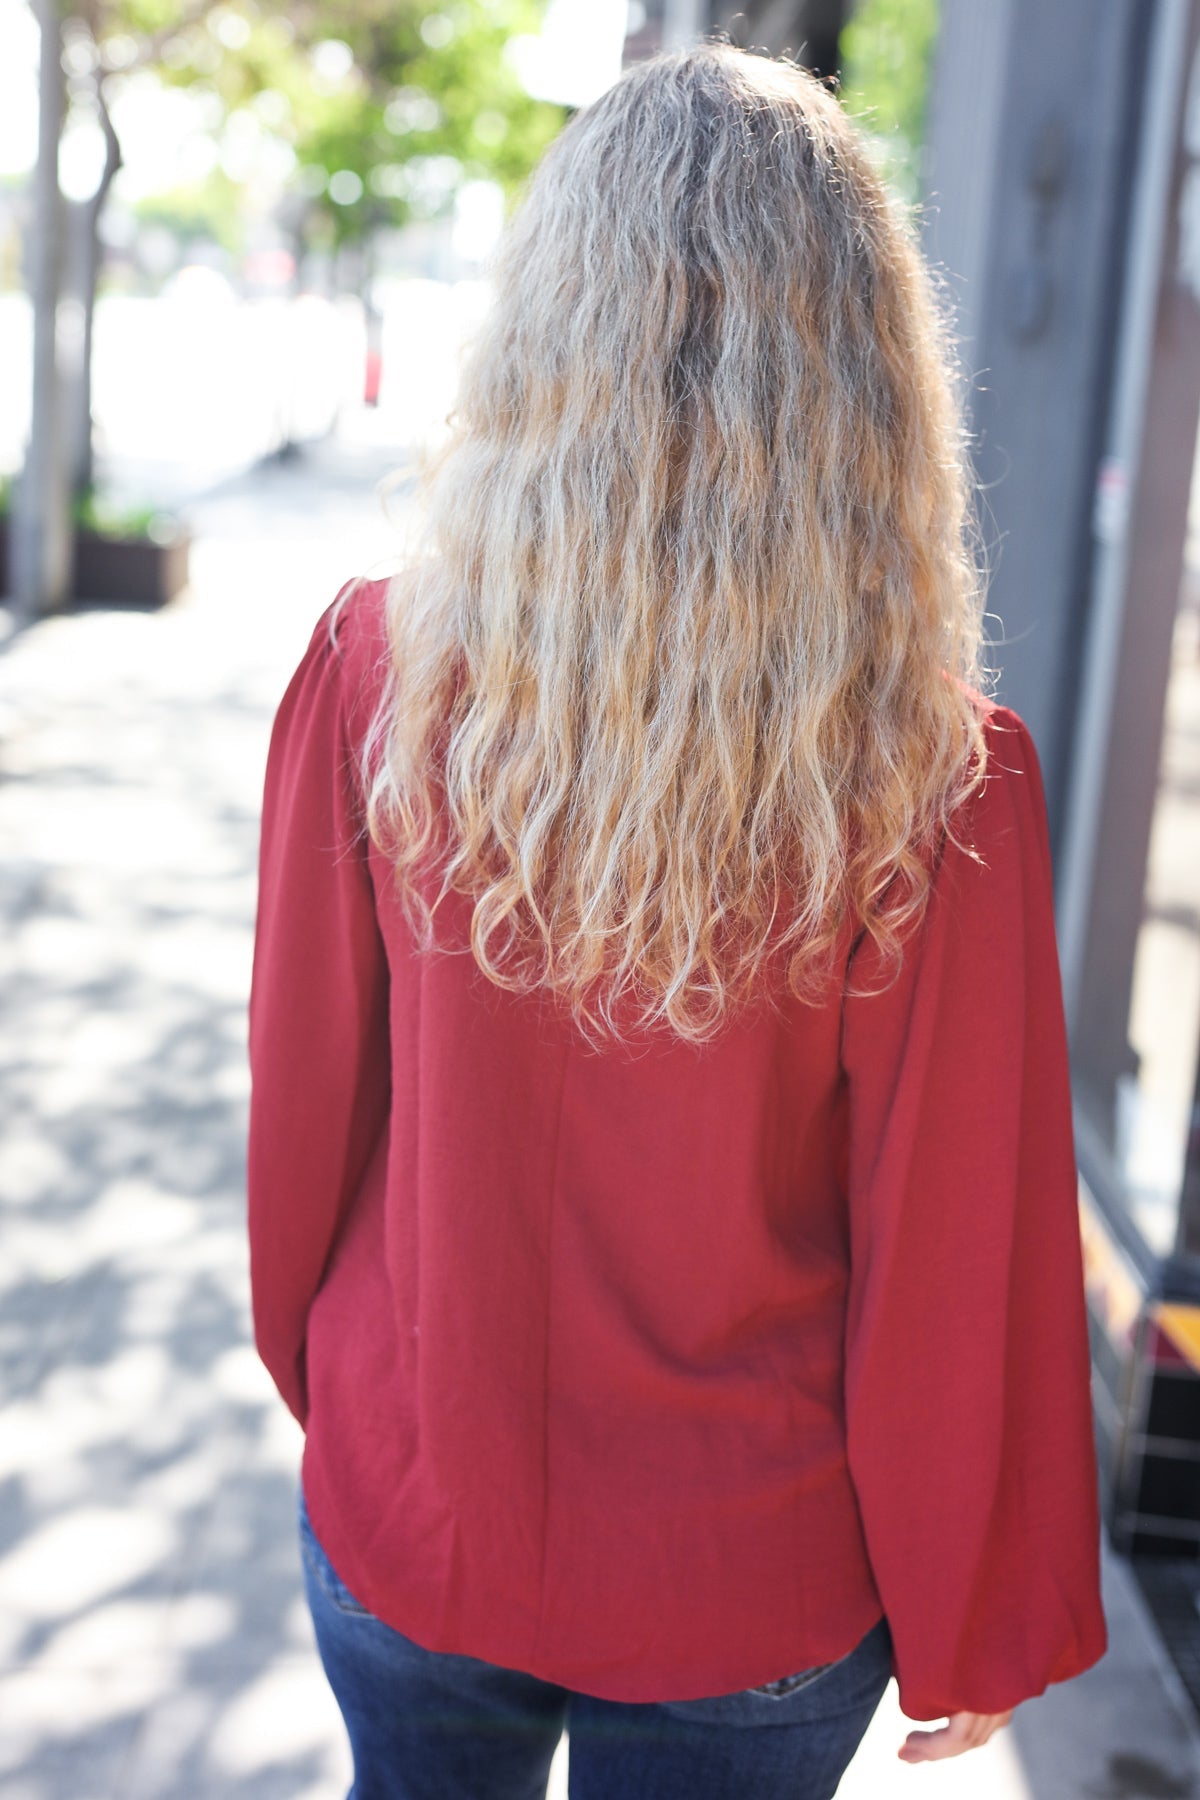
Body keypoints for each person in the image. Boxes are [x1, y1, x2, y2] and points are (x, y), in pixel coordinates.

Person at [246, 40, 1109, 1800]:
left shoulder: (379, 675)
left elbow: (303, 1111)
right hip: (751, 1579)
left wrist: (347, 1386)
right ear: (866, 368)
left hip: (423, 1500)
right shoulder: (937, 777)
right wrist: (978, 1610)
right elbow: (957, 1257)